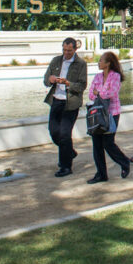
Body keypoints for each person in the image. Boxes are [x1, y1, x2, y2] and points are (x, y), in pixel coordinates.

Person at [43, 37, 88, 177]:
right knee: (53, 131)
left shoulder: (81, 64)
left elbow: (82, 85)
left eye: (69, 50)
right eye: (64, 50)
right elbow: (45, 80)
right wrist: (50, 80)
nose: (66, 53)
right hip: (56, 101)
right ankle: (70, 152)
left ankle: (65, 166)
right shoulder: (56, 60)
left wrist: (68, 84)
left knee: (64, 134)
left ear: (75, 49)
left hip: (71, 103)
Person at [86, 51, 131, 183]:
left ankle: (124, 162)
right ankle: (101, 174)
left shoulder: (115, 76)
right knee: (97, 144)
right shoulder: (98, 77)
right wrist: (99, 94)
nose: (98, 62)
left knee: (108, 142)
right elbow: (90, 94)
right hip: (98, 112)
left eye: (101, 60)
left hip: (112, 113)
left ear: (108, 63)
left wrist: (98, 92)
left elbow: (112, 93)